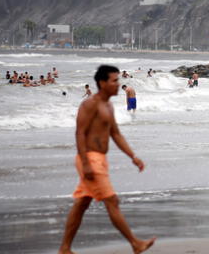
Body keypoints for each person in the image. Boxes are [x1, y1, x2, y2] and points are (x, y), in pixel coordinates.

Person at [57, 65, 155, 254]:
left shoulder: (108, 105)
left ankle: (65, 248)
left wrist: (133, 156)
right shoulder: (90, 104)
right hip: (90, 159)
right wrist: (85, 163)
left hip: (100, 159)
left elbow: (116, 134)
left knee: (82, 203)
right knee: (112, 201)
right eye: (114, 80)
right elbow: (80, 133)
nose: (118, 84)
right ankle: (135, 243)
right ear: (102, 83)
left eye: (118, 80)